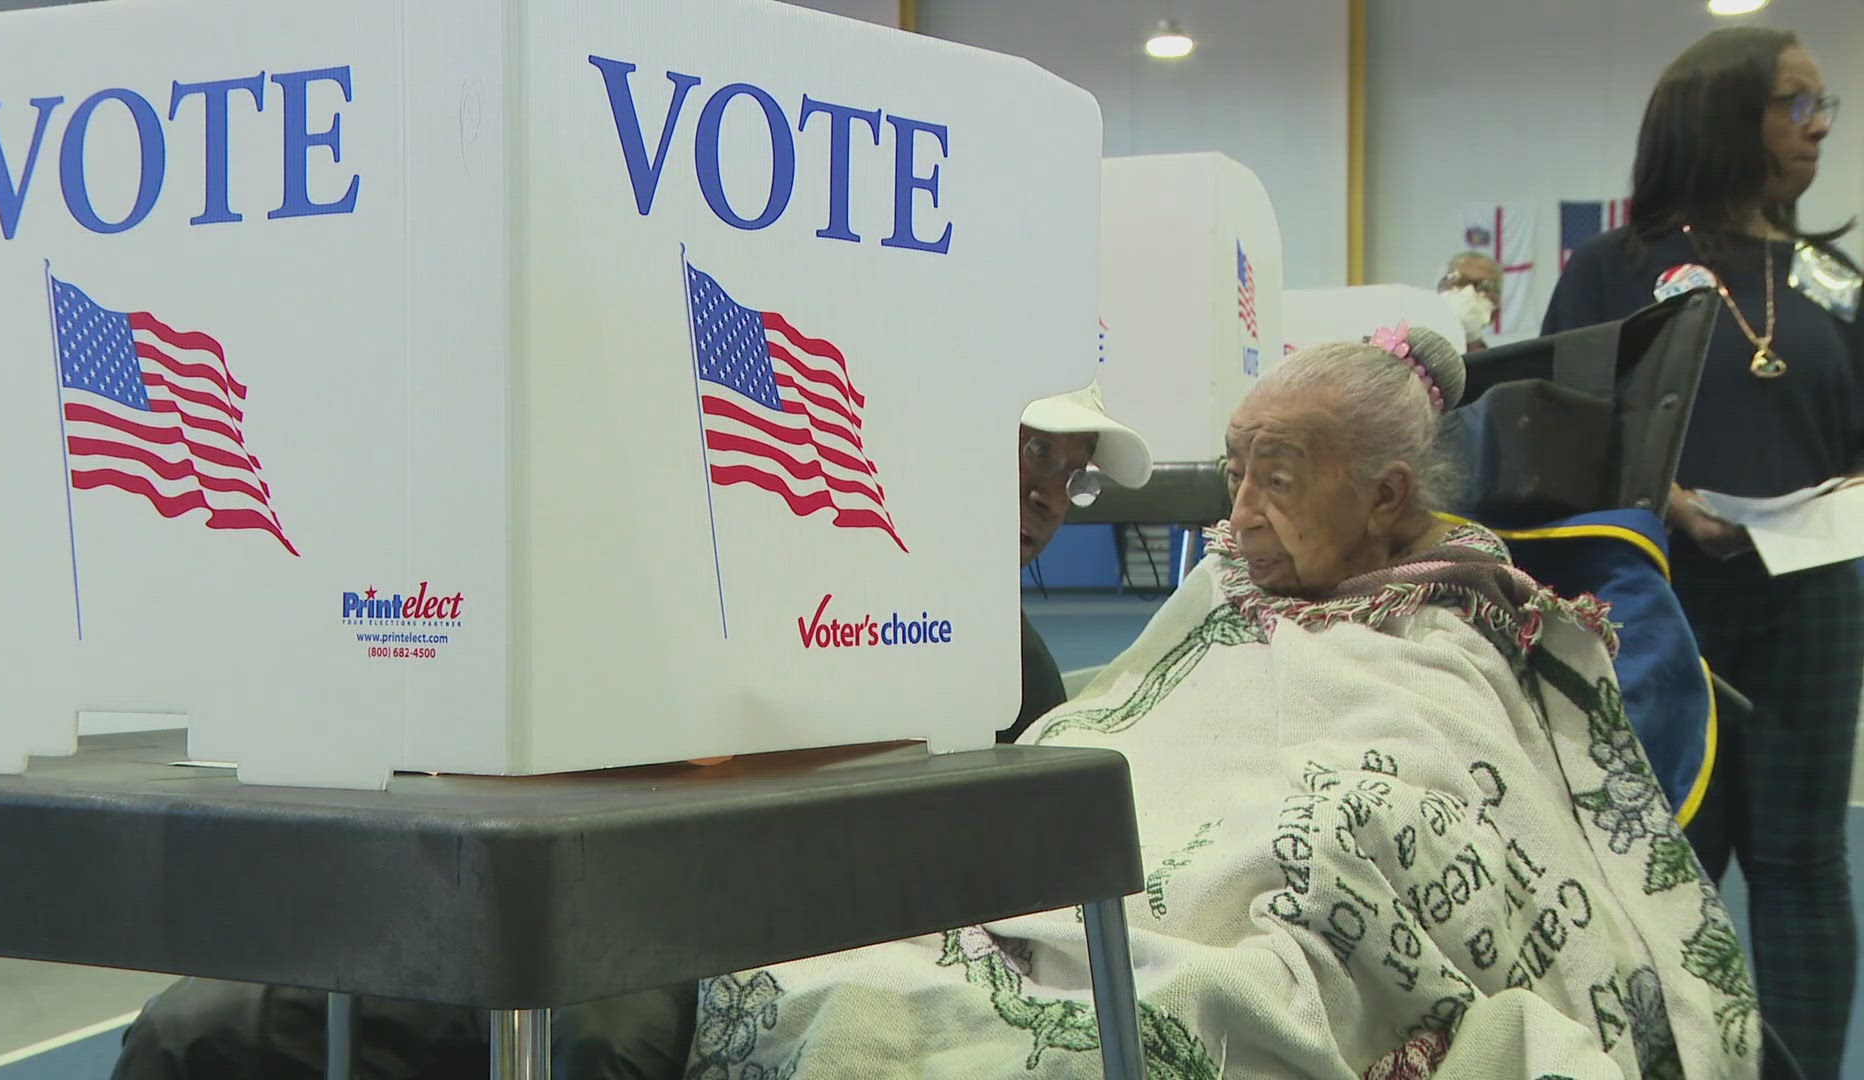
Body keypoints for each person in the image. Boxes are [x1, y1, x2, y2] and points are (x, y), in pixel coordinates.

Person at [679, 328, 1758, 1079]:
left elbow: (1431, 807)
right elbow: (1110, 729)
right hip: (1064, 894)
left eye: (1276, 477)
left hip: (1256, 912)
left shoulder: (1459, 636)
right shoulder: (1204, 602)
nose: (1237, 513)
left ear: (1387, 497)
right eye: (1235, 472)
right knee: (843, 984)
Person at [111, 384, 1154, 1080]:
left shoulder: (1008, 669)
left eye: (1069, 475)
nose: (1046, 497)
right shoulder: (726, 556)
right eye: (1028, 454)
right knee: (189, 1032)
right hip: (512, 890)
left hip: (710, 948)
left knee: (595, 1043)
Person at [1542, 27, 1859, 1078]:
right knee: (1662, 862)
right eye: (1795, 105)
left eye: (1824, 109)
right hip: (1650, 606)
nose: (1818, 129)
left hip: (1811, 606)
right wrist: (1663, 497)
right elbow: (1554, 430)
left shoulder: (1831, 282)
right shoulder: (1607, 273)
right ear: (1723, 117)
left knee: (1803, 862)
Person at [1003, 382, 1154, 743]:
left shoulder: (1026, 676)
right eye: (1038, 450)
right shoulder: (865, 627)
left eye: (1076, 474)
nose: (1054, 501)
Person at [1438, 251, 1503, 353]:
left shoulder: (1502, 368)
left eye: (1482, 286)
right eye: (1459, 281)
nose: (1468, 292)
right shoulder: (1409, 362)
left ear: (1495, 314)